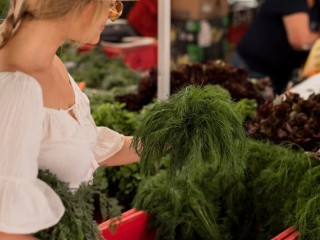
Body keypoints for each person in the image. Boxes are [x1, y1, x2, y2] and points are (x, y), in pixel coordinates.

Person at [0, 0, 140, 239]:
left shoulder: (52, 63)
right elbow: (8, 231)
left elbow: (79, 148)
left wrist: (166, 139)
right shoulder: (16, 86)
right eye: (111, 3)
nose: (112, 14)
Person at [231, 0, 320, 94]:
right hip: (254, 69)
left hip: (280, 73)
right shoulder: (293, 2)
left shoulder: (315, 4)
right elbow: (301, 42)